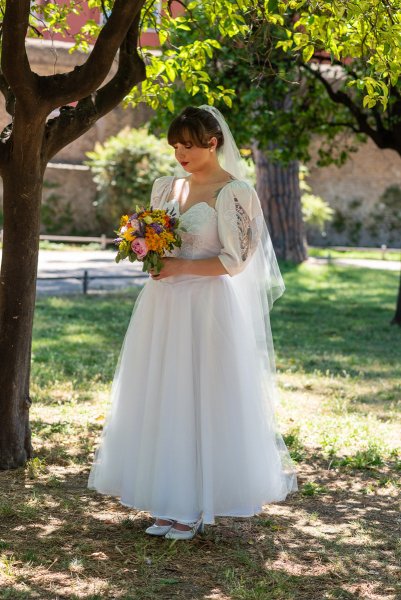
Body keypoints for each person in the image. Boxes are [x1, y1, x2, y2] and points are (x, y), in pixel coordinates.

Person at [87, 105, 298, 540]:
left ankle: (194, 505)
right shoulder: (167, 187)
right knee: (162, 394)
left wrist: (181, 269)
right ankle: (167, 501)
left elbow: (236, 261)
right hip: (162, 306)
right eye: (176, 145)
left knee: (199, 395)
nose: (180, 152)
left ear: (212, 142)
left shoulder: (235, 192)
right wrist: (148, 253)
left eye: (188, 144)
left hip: (206, 307)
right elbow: (155, 239)